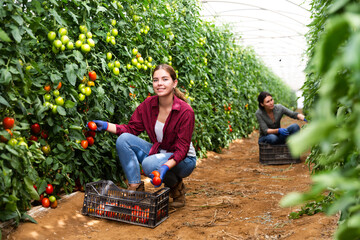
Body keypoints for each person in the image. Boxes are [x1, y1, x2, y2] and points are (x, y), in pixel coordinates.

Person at [89, 64, 197, 208]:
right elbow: (131, 129)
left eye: (165, 79)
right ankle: (136, 189)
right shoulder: (148, 105)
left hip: (185, 159)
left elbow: (183, 149)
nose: (159, 83)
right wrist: (106, 126)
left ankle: (176, 186)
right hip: (162, 153)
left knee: (149, 164)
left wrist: (165, 166)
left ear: (174, 83)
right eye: (155, 80)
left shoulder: (185, 111)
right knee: (124, 139)